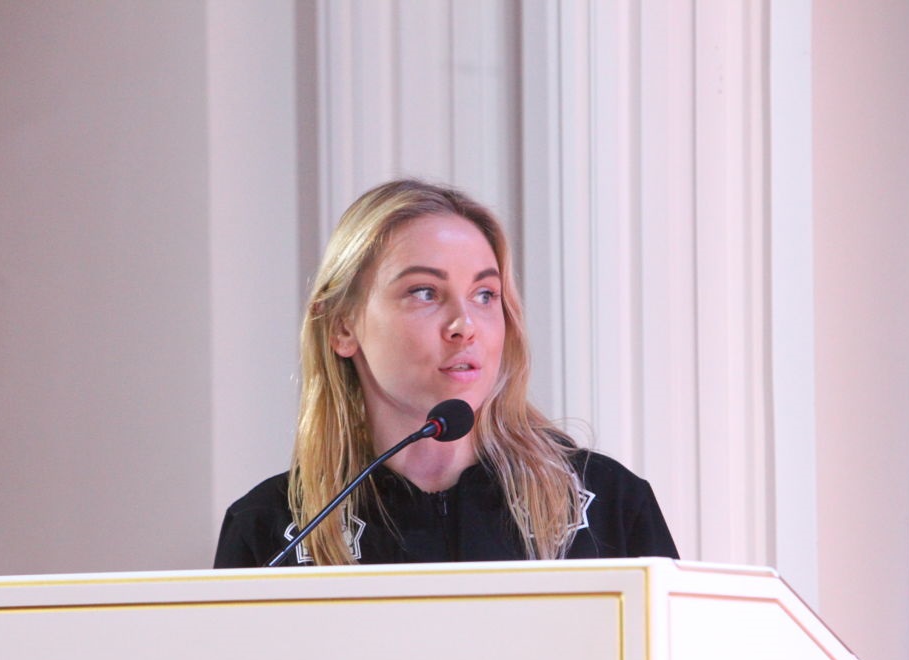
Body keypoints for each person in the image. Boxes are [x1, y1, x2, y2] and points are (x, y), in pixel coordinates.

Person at [214, 179, 678, 568]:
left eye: (485, 294)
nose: (464, 325)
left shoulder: (609, 503)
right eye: (424, 292)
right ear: (341, 327)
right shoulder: (272, 528)